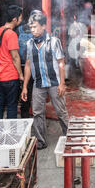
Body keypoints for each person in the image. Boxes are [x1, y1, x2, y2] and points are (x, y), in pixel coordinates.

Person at [21, 11, 68, 150]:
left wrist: (62, 83)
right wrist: (24, 86)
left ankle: (68, 136)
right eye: (31, 28)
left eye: (35, 27)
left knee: (61, 111)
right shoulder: (29, 44)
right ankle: (41, 141)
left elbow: (61, 63)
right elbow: (28, 65)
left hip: (54, 83)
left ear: (43, 26)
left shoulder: (54, 41)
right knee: (37, 112)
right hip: (38, 84)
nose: (32, 30)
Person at [0, 5, 24, 119]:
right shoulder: (11, 34)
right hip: (10, 75)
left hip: (0, 74)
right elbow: (15, 56)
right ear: (14, 19)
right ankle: (11, 130)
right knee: (12, 105)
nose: (21, 20)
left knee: (0, 102)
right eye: (20, 18)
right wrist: (21, 75)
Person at [17, 19, 33, 119]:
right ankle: (28, 111)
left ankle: (24, 113)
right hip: (31, 65)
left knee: (24, 88)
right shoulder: (34, 33)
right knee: (30, 88)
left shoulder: (19, 30)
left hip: (20, 64)